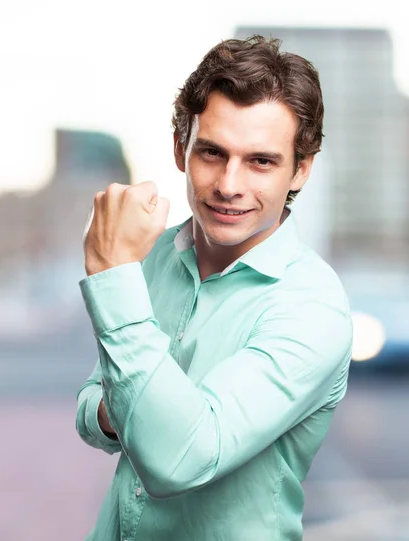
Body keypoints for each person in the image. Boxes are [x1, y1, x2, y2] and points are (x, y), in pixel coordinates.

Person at [76, 35, 353, 541]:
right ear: (181, 149)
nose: (229, 184)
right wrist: (132, 409)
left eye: (261, 161)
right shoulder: (152, 254)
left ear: (301, 170)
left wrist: (112, 275)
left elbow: (180, 458)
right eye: (212, 152)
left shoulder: (313, 306)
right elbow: (90, 405)